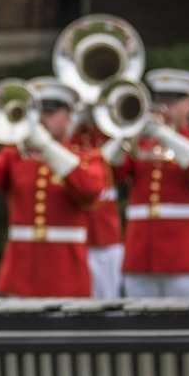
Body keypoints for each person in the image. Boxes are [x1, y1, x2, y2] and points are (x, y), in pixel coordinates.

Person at [0, 77, 106, 297]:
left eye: (50, 113)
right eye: (37, 112)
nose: (41, 119)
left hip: (66, 274)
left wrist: (46, 146)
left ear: (69, 117)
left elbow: (90, 190)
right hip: (19, 273)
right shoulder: (14, 156)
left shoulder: (87, 157)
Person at [106, 69, 189, 298]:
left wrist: (165, 134)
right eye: (160, 101)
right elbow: (109, 172)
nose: (164, 107)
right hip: (139, 257)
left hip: (182, 257)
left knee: (184, 327)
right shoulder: (141, 143)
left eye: (172, 101)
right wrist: (125, 134)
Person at [70, 118, 124, 298]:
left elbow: (121, 169)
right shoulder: (69, 135)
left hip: (104, 234)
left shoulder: (110, 132)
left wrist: (124, 136)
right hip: (69, 236)